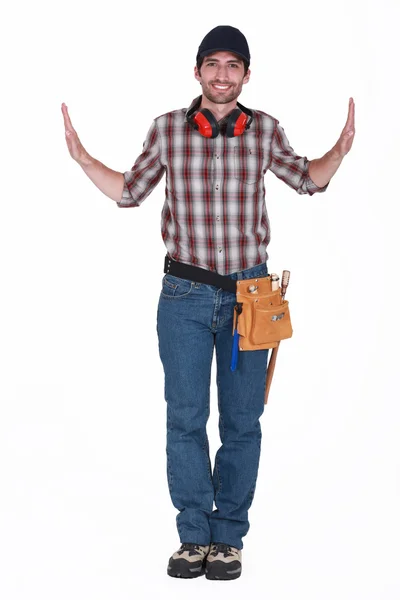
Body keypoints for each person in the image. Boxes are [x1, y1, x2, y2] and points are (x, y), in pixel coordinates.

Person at [62, 25, 355, 581]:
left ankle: (229, 539)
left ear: (246, 75)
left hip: (252, 296)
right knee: (186, 418)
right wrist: (82, 159)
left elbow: (307, 181)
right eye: (213, 64)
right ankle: (192, 535)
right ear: (196, 71)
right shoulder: (169, 130)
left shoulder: (264, 130)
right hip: (185, 296)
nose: (223, 75)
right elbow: (129, 192)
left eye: (233, 66)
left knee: (244, 421)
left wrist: (338, 152)